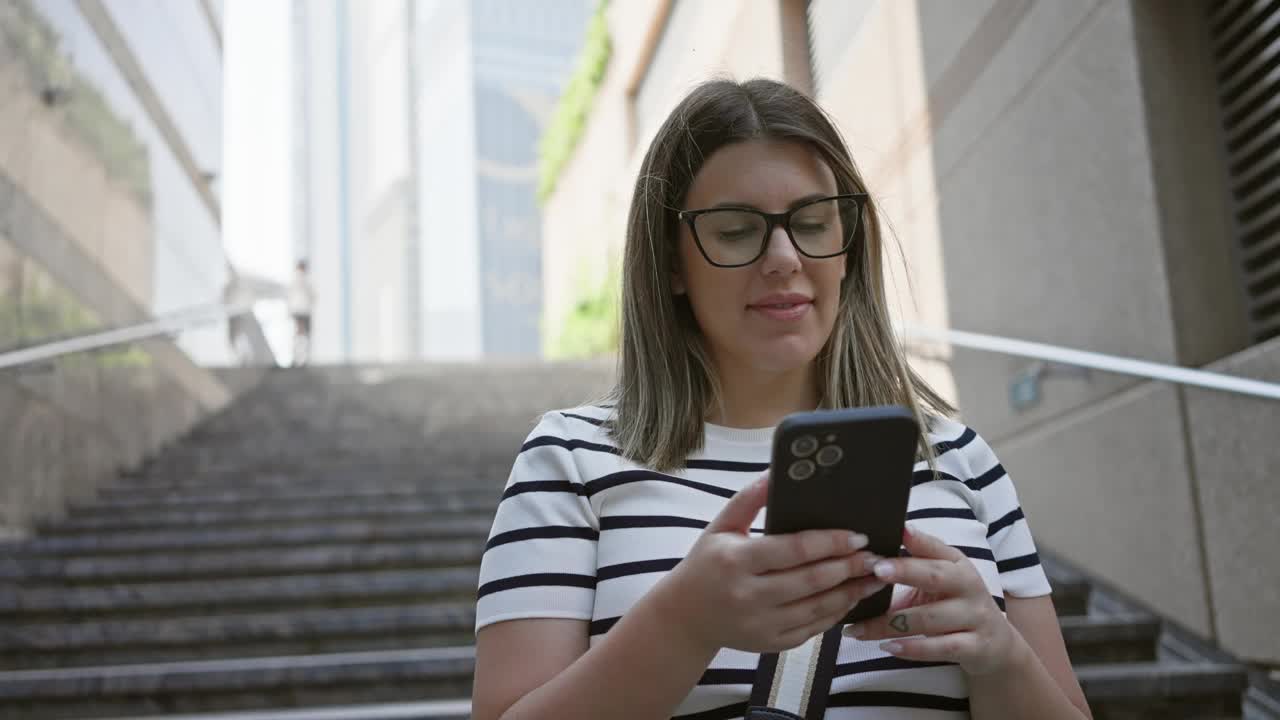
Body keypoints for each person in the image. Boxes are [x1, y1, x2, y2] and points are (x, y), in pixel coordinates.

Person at [472, 79, 1092, 720]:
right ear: (672, 264)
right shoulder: (571, 460)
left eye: (814, 222)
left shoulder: (960, 460)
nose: (784, 257)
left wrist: (999, 654)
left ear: (849, 245)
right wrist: (684, 623)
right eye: (737, 231)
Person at [287, 259, 315, 367]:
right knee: (304, 335)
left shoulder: (293, 278)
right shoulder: (307, 279)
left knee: (298, 333)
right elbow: (313, 295)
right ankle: (302, 358)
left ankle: (296, 357)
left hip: (296, 310)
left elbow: (288, 295)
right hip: (304, 310)